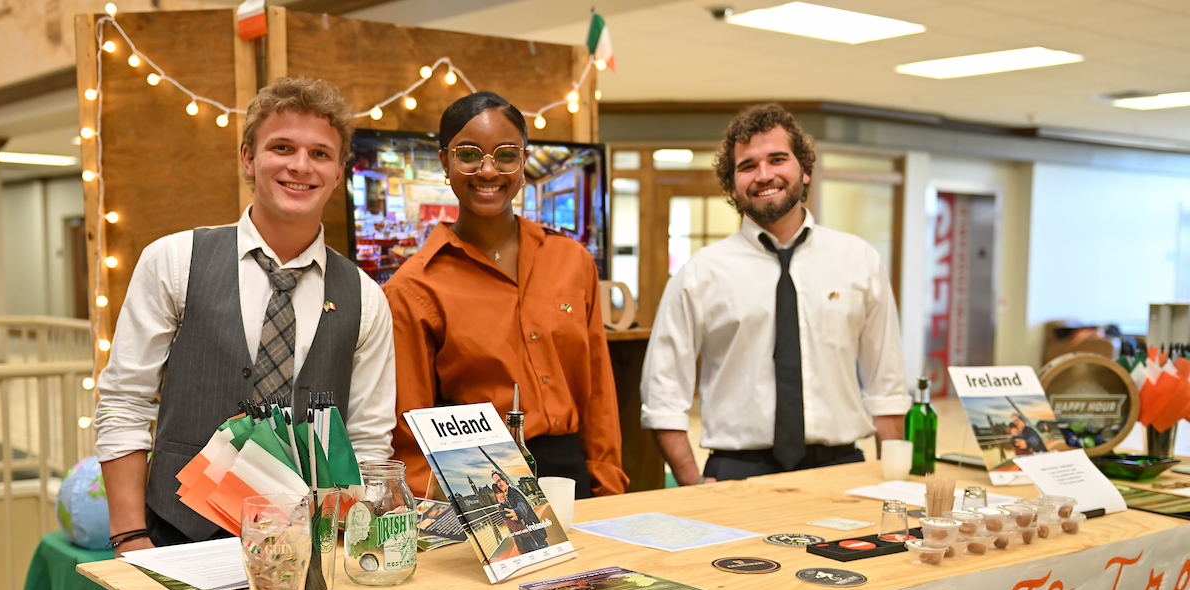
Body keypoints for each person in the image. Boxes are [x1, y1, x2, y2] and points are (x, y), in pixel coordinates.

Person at [93, 76, 396, 590]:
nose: (299, 166)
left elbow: (372, 441)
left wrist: (359, 541)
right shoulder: (175, 260)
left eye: (320, 153)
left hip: (302, 552)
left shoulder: (365, 296)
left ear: (341, 171)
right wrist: (131, 542)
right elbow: (124, 402)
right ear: (247, 157)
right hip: (179, 538)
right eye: (281, 147)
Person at [640, 103, 910, 484]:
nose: (764, 175)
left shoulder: (858, 260)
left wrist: (892, 485)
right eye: (748, 166)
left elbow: (888, 386)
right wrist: (693, 485)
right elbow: (662, 394)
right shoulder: (699, 273)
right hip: (737, 474)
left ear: (805, 169)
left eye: (778, 159)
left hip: (843, 469)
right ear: (732, 185)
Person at [385, 91, 626, 501]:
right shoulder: (413, 287)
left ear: (524, 160)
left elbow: (598, 392)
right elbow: (410, 434)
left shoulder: (572, 260)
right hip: (482, 483)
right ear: (445, 162)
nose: (487, 170)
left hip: (571, 476)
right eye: (468, 154)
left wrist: (609, 489)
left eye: (505, 155)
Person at [492, 470, 546, 551]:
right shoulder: (508, 498)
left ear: (504, 480)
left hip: (536, 538)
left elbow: (522, 504)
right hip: (529, 538)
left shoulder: (514, 493)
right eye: (497, 483)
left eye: (499, 481)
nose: (499, 484)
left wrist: (518, 512)